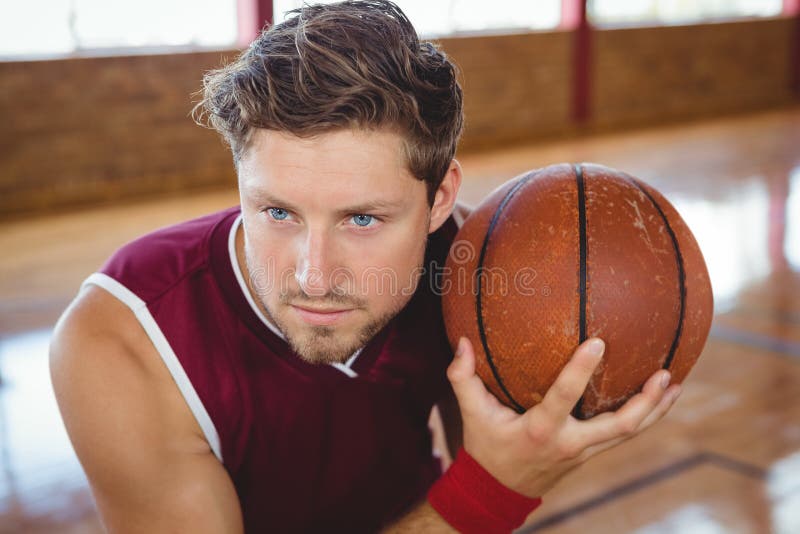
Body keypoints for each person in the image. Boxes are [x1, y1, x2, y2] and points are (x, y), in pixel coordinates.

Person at [49, 1, 682, 532]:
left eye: (361, 219)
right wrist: (492, 491)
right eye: (277, 212)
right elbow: (483, 488)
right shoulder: (125, 339)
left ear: (439, 198)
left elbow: (488, 450)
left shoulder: (471, 272)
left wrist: (536, 434)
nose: (315, 277)